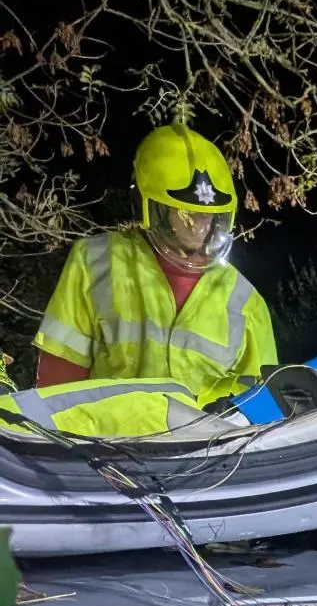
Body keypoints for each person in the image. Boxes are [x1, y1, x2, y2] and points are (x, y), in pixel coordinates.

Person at [33, 123, 275, 416]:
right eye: (186, 212)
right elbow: (57, 384)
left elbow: (266, 406)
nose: (200, 225)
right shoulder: (96, 262)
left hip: (206, 444)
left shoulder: (246, 302)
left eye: (209, 215)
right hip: (109, 441)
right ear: (151, 207)